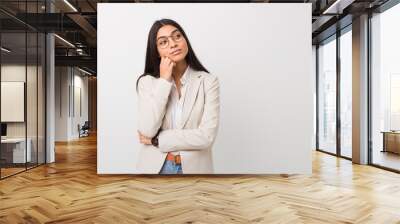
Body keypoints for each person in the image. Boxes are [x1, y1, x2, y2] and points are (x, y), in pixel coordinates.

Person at [136, 18, 220, 174]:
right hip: (155, 169)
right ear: (156, 51)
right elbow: (147, 130)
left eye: (177, 36)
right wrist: (164, 81)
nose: (173, 44)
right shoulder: (147, 82)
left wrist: (158, 140)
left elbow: (207, 136)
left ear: (185, 40)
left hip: (196, 170)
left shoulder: (208, 81)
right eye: (163, 42)